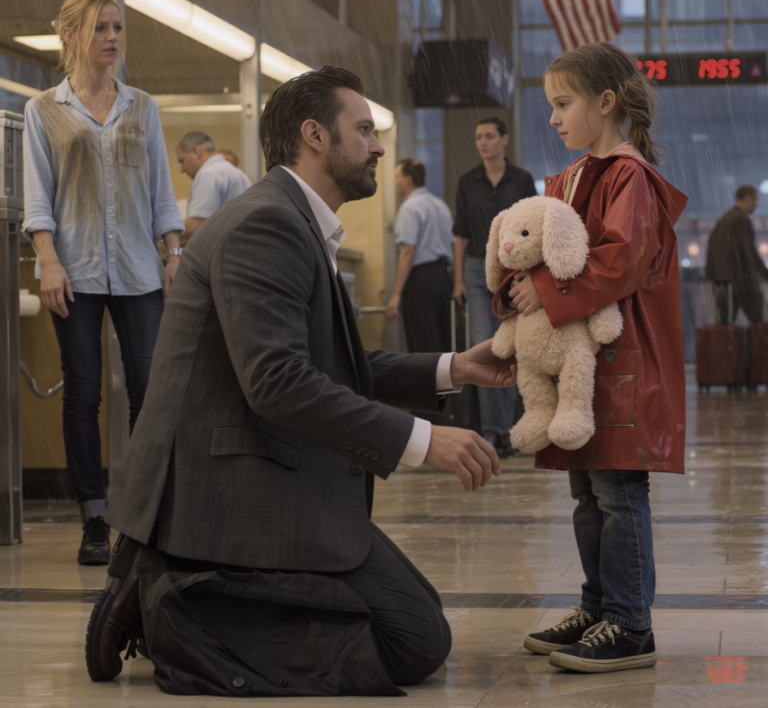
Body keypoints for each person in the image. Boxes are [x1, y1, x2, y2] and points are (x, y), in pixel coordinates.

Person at [85, 66, 517, 696]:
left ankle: (175, 580)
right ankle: (165, 591)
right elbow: (279, 382)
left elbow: (327, 364)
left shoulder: (294, 220)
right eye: (364, 129)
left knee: (418, 617)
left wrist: (453, 367)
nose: (377, 146)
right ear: (314, 135)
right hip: (224, 485)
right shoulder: (269, 223)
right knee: (414, 640)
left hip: (258, 460)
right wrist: (425, 441)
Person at [513, 42, 688, 673]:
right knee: (588, 492)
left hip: (623, 356)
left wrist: (545, 290)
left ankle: (631, 624)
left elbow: (618, 262)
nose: (554, 118)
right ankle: (599, 606)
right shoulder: (576, 176)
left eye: (564, 104)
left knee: (619, 491)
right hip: (584, 358)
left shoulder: (628, 176)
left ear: (606, 102)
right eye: (551, 106)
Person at [21, 0, 184, 565]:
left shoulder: (142, 107)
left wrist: (173, 254)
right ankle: (93, 519)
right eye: (100, 28)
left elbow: (161, 191)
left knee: (150, 390)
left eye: (117, 27)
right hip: (77, 268)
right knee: (83, 393)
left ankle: (140, 515)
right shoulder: (44, 110)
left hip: (140, 268)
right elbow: (38, 198)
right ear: (71, 36)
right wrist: (48, 260)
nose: (113, 38)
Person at [453, 117, 535, 456]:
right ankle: (491, 431)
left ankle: (512, 428)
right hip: (475, 271)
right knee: (484, 348)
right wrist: (457, 277)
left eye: (489, 136)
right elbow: (460, 234)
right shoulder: (467, 182)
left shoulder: (523, 180)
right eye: (478, 137)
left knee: (512, 349)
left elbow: (533, 228)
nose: (483, 142)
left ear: (504, 139)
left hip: (513, 273)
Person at [387, 159, 454, 352]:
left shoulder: (410, 208)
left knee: (422, 344)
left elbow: (408, 252)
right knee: (443, 341)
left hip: (420, 281)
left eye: (397, 177)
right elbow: (452, 243)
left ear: (408, 180)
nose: (395, 182)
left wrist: (396, 295)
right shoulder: (440, 205)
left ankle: (426, 383)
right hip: (443, 278)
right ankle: (446, 382)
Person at [705, 184, 768, 325]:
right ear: (747, 198)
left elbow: (711, 246)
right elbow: (749, 252)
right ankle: (756, 347)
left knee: (724, 326)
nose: (757, 204)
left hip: (721, 281)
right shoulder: (742, 219)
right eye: (755, 200)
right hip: (741, 280)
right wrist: (765, 274)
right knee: (758, 323)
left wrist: (710, 273)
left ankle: (724, 347)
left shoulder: (723, 219)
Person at [174, 131, 251, 239]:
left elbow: (196, 227)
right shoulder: (238, 174)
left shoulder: (208, 174)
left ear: (195, 151)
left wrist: (163, 229)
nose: (182, 169)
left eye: (182, 161)